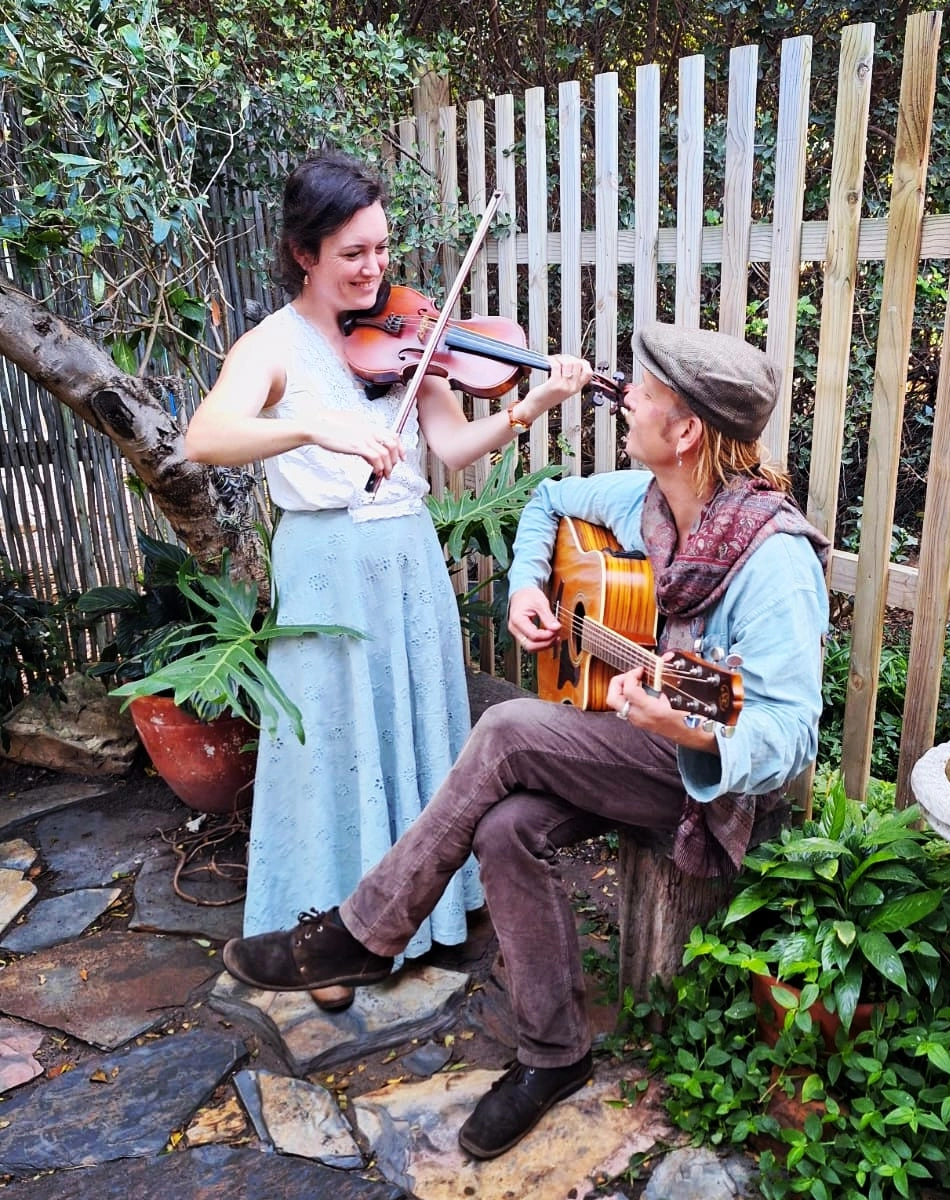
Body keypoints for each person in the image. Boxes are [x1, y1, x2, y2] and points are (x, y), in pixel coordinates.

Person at [219, 321, 830, 1157]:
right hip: (625, 740)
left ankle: (365, 933)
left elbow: (791, 733)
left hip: (702, 778)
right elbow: (547, 501)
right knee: (507, 830)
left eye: (644, 394)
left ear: (686, 432)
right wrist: (528, 583)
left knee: (505, 726)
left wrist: (687, 722)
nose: (626, 399)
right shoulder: (651, 502)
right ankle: (554, 1055)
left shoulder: (772, 560)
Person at [184, 149, 589, 1011]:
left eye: (381, 249)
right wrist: (311, 432)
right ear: (305, 253)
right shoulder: (272, 346)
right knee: (331, 745)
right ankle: (318, 932)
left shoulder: (406, 332)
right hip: (326, 567)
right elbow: (208, 437)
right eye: (352, 255)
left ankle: (429, 913)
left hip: (406, 557)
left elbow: (448, 450)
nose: (374, 271)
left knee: (415, 728)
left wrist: (525, 410)